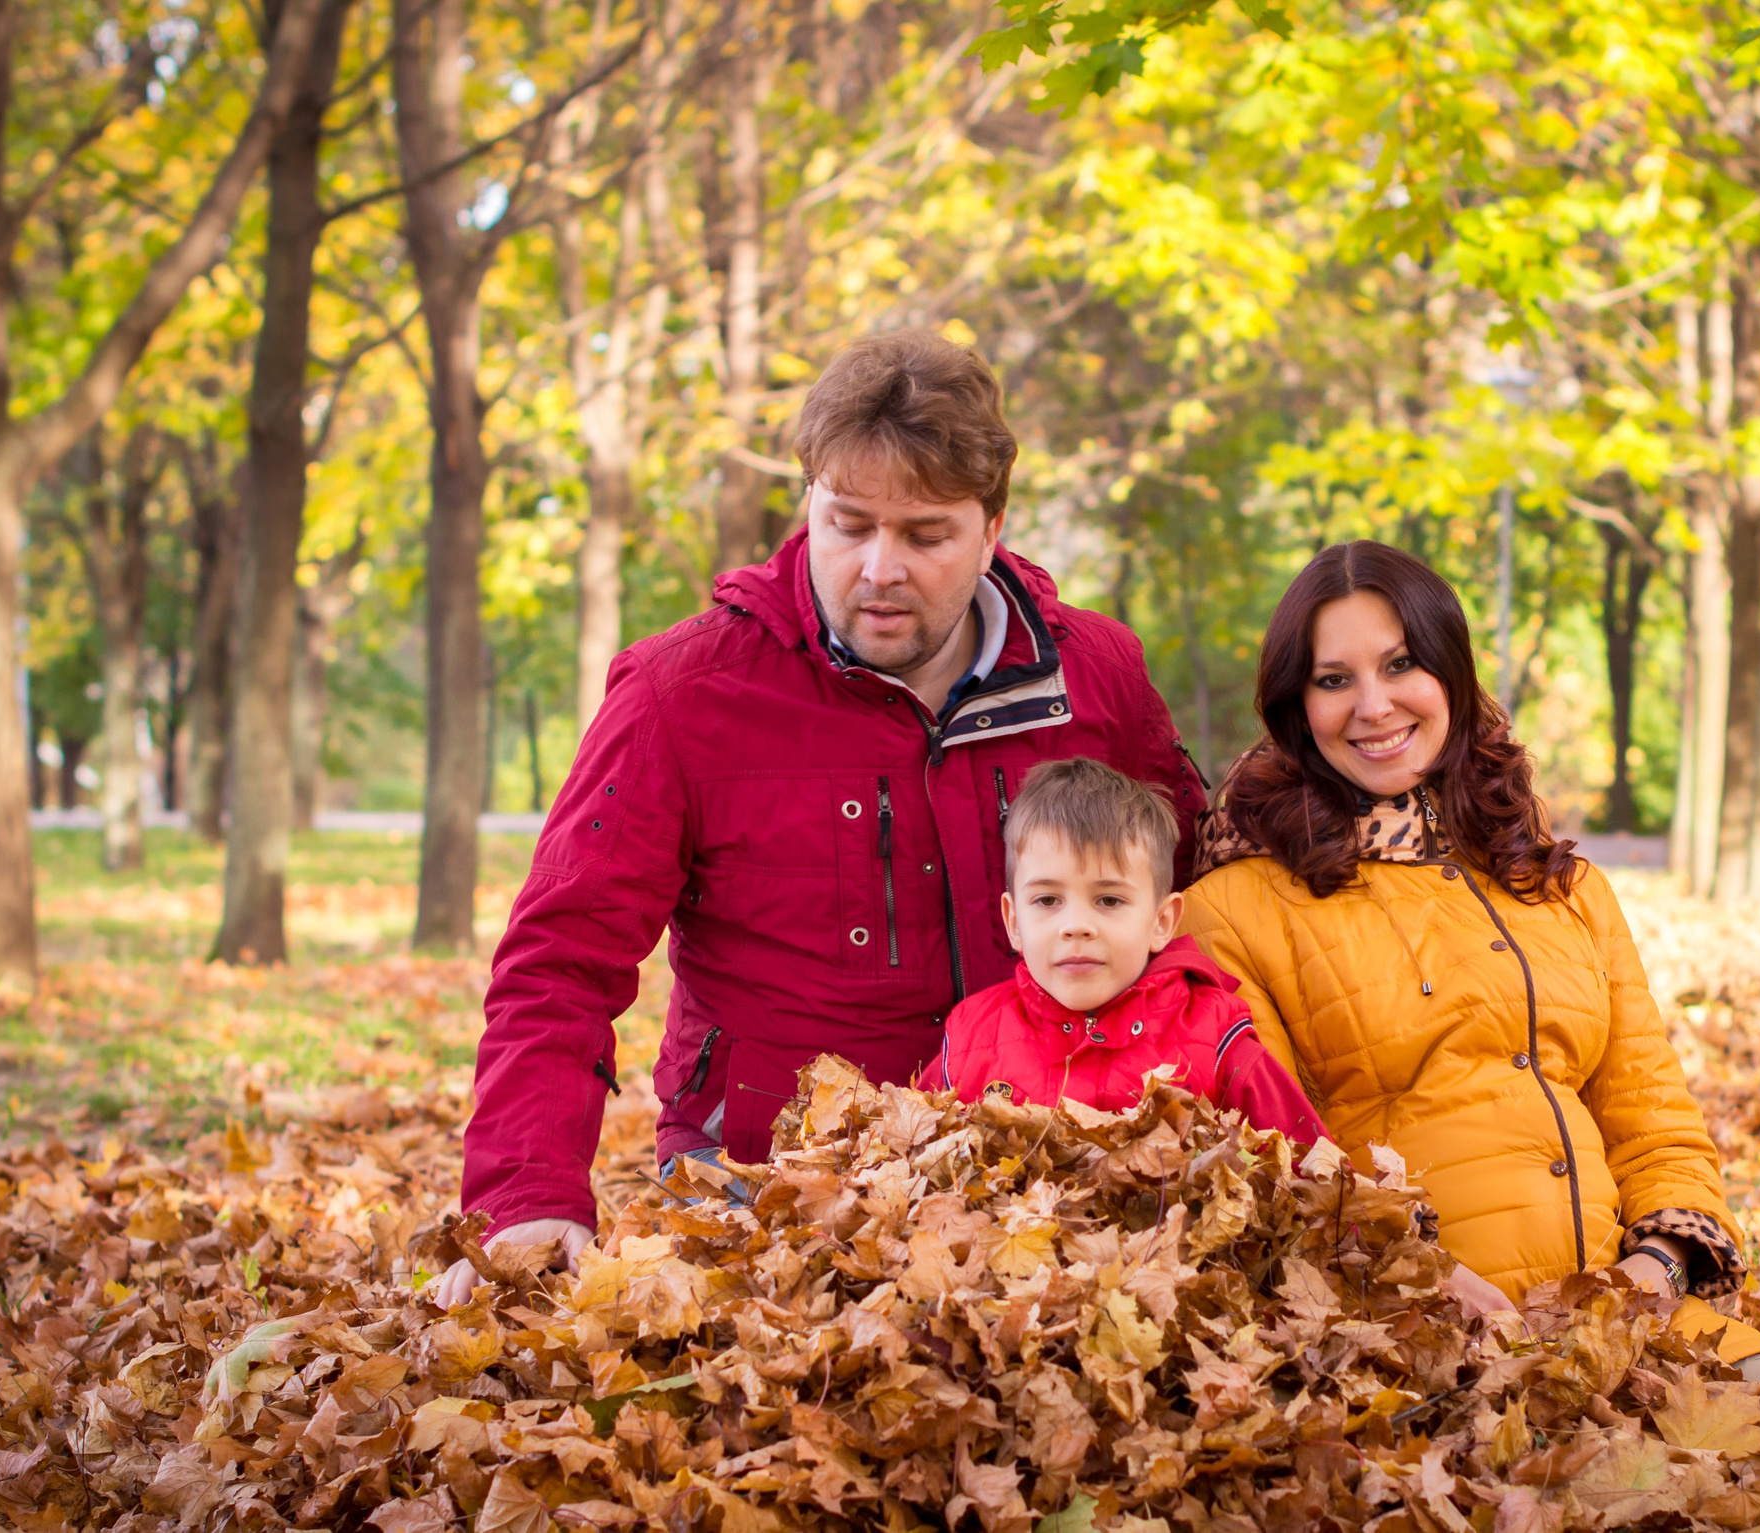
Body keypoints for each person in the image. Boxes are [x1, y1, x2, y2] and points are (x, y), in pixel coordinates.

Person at [434, 331, 1205, 1307]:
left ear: (992, 527)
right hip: (761, 1181)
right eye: (848, 524)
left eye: (925, 535)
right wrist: (525, 1196)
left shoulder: (1093, 678)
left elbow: (1200, 903)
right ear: (809, 506)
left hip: (1041, 1168)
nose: (879, 568)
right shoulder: (682, 693)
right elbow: (559, 960)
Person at [1179, 540, 1760, 1428]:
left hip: (1631, 1320)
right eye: (1334, 679)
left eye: (1401, 664)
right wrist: (1431, 1284)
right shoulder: (1234, 908)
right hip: (1413, 1342)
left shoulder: (1561, 885)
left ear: (1452, 677)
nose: (1375, 704)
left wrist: (1651, 1271)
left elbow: (1654, 1116)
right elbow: (1275, 1169)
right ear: (1295, 705)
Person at [916, 756, 1324, 1143]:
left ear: (1161, 922)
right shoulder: (971, 1039)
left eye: (1109, 900)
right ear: (1013, 922)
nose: (1076, 926)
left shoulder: (1214, 1038)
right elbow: (908, 1157)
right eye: (1047, 901)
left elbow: (1317, 1180)